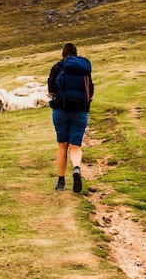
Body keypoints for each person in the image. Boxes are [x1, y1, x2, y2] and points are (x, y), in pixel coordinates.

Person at [47, 43, 94, 193]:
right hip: (80, 111)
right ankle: (76, 168)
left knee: (62, 146)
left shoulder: (57, 67)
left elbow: (50, 91)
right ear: (76, 53)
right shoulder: (84, 69)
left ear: (63, 54)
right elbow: (90, 90)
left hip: (61, 110)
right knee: (75, 146)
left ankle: (61, 181)